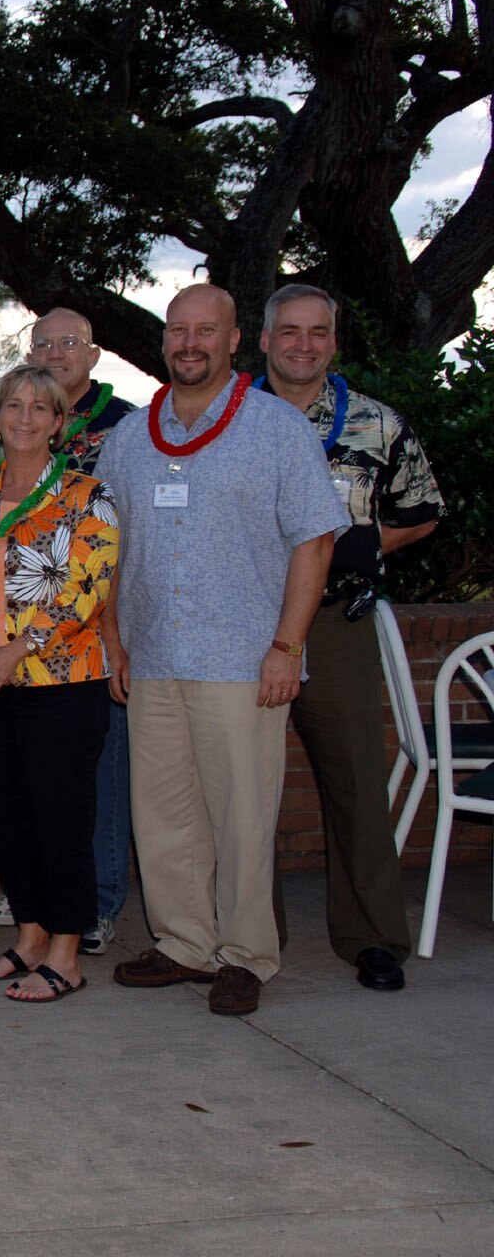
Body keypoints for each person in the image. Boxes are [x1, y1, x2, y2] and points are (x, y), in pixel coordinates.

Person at [98, 283, 345, 1018]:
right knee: (165, 812)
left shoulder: (276, 429)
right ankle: (182, 943)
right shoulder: (130, 437)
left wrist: (286, 646)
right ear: (164, 340)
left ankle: (245, 954)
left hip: (242, 658)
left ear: (236, 339)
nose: (190, 343)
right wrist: (115, 641)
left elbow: (315, 538)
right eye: (179, 330)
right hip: (155, 657)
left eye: (207, 330)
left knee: (241, 815)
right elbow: (105, 549)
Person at [257, 283, 445, 991]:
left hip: (336, 625)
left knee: (359, 780)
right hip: (249, 622)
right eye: (290, 331)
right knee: (248, 790)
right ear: (266, 340)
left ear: (334, 342)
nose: (303, 344)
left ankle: (372, 938)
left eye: (318, 333)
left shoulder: (377, 422)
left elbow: (424, 510)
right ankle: (251, 936)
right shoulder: (231, 417)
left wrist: (360, 548)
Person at [0, 365, 120, 1002]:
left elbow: (84, 590)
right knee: (7, 816)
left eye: (42, 408)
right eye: (14, 406)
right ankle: (31, 937)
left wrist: (16, 649)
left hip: (58, 683)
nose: (26, 418)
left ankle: (67, 952)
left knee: (59, 816)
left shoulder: (87, 496)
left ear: (60, 423)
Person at [30, 308, 137, 956]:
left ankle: (98, 902)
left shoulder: (125, 428)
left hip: (100, 621)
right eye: (42, 343)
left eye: (68, 342)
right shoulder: (21, 421)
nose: (55, 352)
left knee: (103, 767)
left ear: (93, 354)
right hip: (28, 628)